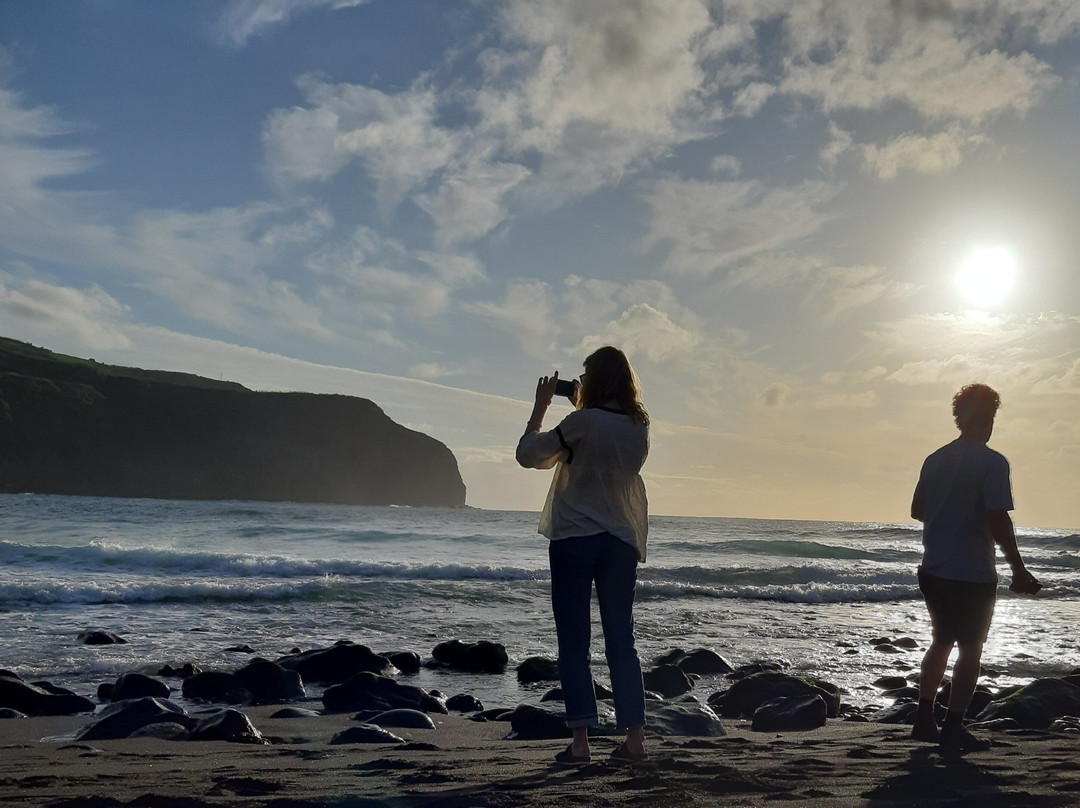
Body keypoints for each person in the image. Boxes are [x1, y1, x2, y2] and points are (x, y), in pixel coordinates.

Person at [516, 346, 650, 765]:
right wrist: (583, 405)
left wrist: (539, 409)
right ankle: (634, 741)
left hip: (575, 537)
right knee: (620, 642)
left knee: (574, 642)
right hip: (620, 540)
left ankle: (580, 744)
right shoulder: (638, 426)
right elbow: (607, 449)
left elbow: (530, 455)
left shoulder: (579, 423)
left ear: (593, 381)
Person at [909, 383, 1040, 752]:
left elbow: (917, 510)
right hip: (972, 572)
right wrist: (1018, 569)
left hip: (933, 566)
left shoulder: (935, 458)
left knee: (940, 641)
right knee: (970, 648)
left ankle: (923, 716)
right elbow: (998, 518)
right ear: (988, 418)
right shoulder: (992, 462)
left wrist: (948, 512)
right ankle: (952, 726)